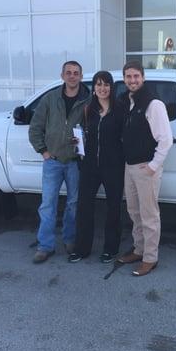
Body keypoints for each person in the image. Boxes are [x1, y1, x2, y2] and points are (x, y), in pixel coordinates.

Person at [28, 60, 91, 264]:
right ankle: (45, 246)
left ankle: (70, 240)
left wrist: (83, 141)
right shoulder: (50, 98)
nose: (72, 76)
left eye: (76, 73)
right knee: (48, 205)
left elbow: (94, 129)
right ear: (62, 75)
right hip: (52, 161)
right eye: (68, 73)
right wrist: (44, 151)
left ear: (81, 76)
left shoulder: (88, 100)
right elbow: (35, 127)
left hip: (74, 162)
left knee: (73, 205)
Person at [117, 61, 173, 276]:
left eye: (136, 76)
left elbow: (165, 140)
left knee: (149, 215)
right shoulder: (128, 102)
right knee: (134, 212)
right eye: (129, 77)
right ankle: (139, 249)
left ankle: (150, 258)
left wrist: (152, 166)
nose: (132, 80)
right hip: (129, 167)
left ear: (143, 77)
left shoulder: (153, 104)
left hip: (145, 168)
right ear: (124, 79)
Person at [68, 71, 125, 264]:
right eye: (99, 84)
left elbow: (125, 137)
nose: (102, 88)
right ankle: (82, 249)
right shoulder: (87, 110)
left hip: (113, 166)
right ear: (94, 88)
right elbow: (80, 135)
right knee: (84, 207)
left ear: (112, 87)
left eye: (106, 84)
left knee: (113, 208)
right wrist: (77, 141)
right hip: (90, 165)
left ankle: (111, 249)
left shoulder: (120, 109)